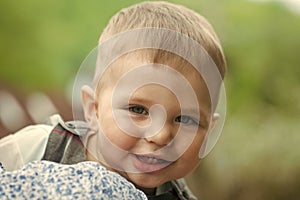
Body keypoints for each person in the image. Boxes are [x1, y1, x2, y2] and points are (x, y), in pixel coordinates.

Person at [0, 1, 226, 199]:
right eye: (138, 109)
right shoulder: (41, 147)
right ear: (93, 109)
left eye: (185, 119)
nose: (160, 136)